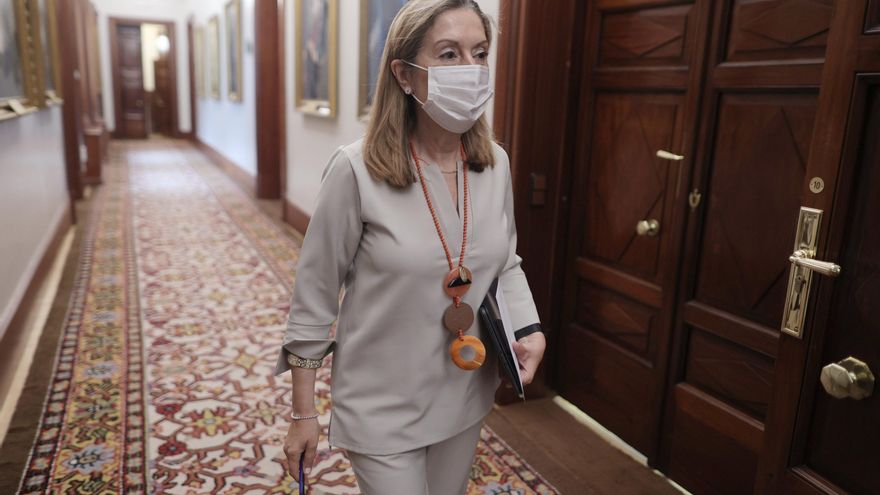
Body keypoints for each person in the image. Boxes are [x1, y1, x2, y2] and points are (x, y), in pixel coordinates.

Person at [276, 1, 547, 493]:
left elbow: (505, 262)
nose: (470, 70)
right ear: (404, 74)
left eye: (480, 52)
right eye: (448, 54)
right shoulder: (355, 171)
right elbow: (313, 298)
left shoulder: (495, 164)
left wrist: (529, 328)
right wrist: (303, 412)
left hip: (462, 391)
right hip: (381, 403)